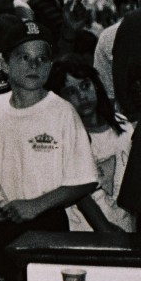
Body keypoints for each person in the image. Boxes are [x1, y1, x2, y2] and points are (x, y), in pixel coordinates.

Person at [0, 20, 110, 281]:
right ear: (6, 63)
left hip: (48, 226)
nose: (34, 65)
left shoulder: (62, 111)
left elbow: (84, 180)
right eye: (24, 57)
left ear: (51, 64)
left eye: (42, 58)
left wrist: (37, 204)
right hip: (2, 225)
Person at [47, 59, 135, 232]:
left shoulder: (123, 125)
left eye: (85, 86)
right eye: (71, 91)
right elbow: (80, 195)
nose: (82, 96)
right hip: (85, 230)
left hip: (126, 226)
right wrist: (105, 229)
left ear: (96, 85)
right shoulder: (64, 136)